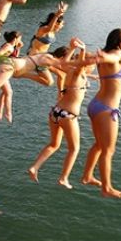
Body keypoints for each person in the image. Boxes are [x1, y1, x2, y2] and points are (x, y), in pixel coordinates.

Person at [28, 41, 98, 189]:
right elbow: (80, 67)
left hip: (55, 112)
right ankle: (64, 178)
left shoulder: (70, 70)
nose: (94, 68)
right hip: (68, 116)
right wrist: (83, 50)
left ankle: (35, 167)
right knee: (74, 149)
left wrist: (73, 49)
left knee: (54, 144)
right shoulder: (78, 72)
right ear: (86, 65)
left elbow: (66, 62)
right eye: (93, 66)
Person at [81, 28, 121, 199]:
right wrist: (103, 57)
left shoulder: (104, 55)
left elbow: (100, 57)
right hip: (107, 110)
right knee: (108, 151)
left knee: (98, 145)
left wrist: (92, 54)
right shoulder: (116, 54)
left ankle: (88, 176)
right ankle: (107, 188)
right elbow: (113, 58)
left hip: (96, 105)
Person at [0, 38, 81, 108]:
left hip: (11, 65)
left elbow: (64, 70)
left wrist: (88, 74)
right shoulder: (48, 58)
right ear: (62, 57)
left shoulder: (47, 58)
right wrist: (72, 48)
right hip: (11, 65)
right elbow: (63, 64)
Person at [27, 1, 68, 99]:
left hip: (43, 57)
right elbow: (50, 26)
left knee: (63, 72)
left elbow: (53, 25)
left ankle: (62, 93)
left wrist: (61, 13)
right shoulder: (43, 29)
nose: (63, 26)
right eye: (61, 24)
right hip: (36, 57)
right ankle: (24, 74)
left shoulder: (52, 31)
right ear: (56, 23)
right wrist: (57, 16)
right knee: (50, 81)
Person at [0, 31, 24, 123]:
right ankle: (8, 113)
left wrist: (18, 48)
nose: (21, 40)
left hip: (5, 72)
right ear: (15, 39)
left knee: (5, 92)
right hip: (0, 71)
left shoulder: (12, 47)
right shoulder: (8, 46)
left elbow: (14, 58)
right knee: (9, 92)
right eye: (20, 39)